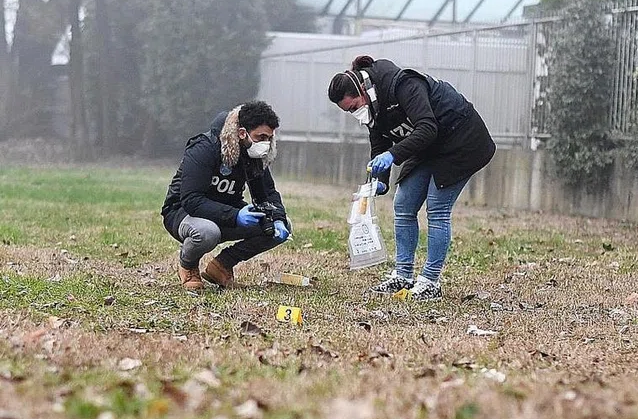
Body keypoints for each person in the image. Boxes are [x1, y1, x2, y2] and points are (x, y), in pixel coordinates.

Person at [328, 55, 496, 301]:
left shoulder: (404, 84)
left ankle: (430, 282)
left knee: (437, 208)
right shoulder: (373, 105)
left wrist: (393, 155)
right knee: (403, 204)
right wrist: (380, 179)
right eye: (348, 111)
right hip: (427, 147)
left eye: (353, 107)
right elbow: (379, 142)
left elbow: (427, 128)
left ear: (362, 89)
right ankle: (403, 275)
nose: (355, 114)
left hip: (460, 141)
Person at [161, 101, 291, 291]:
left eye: (269, 138)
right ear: (242, 133)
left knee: (279, 226)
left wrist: (278, 218)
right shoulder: (204, 148)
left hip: (226, 210)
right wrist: (235, 216)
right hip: (183, 212)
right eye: (261, 137)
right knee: (207, 232)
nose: (265, 143)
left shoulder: (253, 155)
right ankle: (188, 266)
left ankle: (222, 265)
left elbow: (268, 193)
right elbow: (191, 200)